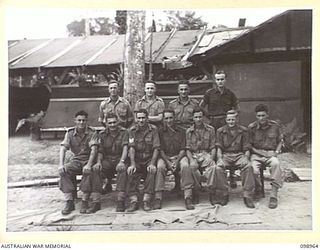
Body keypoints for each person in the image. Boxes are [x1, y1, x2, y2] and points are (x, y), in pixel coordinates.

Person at [200, 70, 240, 188]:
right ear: (215, 80)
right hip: (213, 122)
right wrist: (208, 117)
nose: (220, 81)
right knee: (215, 147)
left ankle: (231, 176)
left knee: (228, 148)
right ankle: (215, 175)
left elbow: (237, 107)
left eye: (222, 79)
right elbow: (201, 106)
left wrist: (233, 116)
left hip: (227, 123)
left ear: (225, 80)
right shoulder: (209, 93)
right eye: (218, 79)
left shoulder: (230, 94)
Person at [58, 110, 99, 215]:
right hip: (76, 159)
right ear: (75, 121)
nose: (81, 123)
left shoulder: (92, 132)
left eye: (84, 120)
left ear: (87, 121)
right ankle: (69, 201)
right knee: (65, 170)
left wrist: (89, 164)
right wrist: (61, 164)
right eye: (79, 120)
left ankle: (84, 201)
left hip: (89, 159)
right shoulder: (70, 133)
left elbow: (94, 150)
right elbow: (63, 148)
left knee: (89, 171)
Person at [155, 109, 195, 210]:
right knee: (160, 167)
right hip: (165, 157)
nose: (169, 120)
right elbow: (160, 150)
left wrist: (176, 162)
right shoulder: (159, 132)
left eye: (171, 118)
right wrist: (168, 162)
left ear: (174, 118)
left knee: (186, 166)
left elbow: (183, 148)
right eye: (166, 118)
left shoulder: (181, 131)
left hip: (179, 156)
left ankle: (188, 197)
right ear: (163, 119)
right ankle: (158, 198)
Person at [215, 110, 255, 208]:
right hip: (226, 155)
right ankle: (224, 193)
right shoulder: (220, 131)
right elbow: (219, 147)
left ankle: (247, 195)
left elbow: (247, 147)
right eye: (229, 120)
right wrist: (219, 158)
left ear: (237, 119)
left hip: (239, 155)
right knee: (218, 168)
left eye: (233, 119)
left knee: (248, 166)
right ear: (226, 120)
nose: (231, 122)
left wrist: (246, 158)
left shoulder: (244, 130)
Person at [91, 113, 129, 212]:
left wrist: (122, 161)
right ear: (106, 123)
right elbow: (100, 151)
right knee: (96, 169)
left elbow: (125, 148)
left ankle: (120, 200)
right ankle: (96, 202)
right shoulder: (102, 134)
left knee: (123, 169)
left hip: (119, 158)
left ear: (118, 122)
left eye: (114, 122)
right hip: (107, 160)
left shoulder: (124, 132)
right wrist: (98, 162)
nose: (112, 125)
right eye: (110, 123)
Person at [248, 104, 284, 209]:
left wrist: (276, 152)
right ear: (256, 116)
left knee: (276, 164)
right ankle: (258, 190)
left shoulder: (275, 126)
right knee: (253, 169)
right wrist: (261, 153)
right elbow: (249, 145)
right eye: (258, 116)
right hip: (256, 154)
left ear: (267, 115)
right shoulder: (252, 127)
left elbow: (280, 141)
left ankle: (273, 195)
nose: (261, 118)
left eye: (263, 115)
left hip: (271, 153)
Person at [168, 80, 199, 193]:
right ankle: (177, 184)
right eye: (181, 89)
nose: (183, 91)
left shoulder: (195, 103)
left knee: (190, 158)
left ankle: (193, 186)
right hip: (177, 133)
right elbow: (169, 120)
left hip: (191, 133)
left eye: (185, 89)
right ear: (178, 90)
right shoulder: (172, 104)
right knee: (178, 157)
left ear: (189, 90)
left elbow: (198, 117)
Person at [126, 109, 160, 212]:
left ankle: (146, 199)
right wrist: (132, 164)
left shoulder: (154, 129)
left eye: (143, 118)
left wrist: (153, 163)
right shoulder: (132, 130)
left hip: (149, 158)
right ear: (136, 119)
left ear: (147, 118)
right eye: (139, 118)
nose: (141, 120)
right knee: (131, 171)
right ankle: (133, 200)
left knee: (152, 171)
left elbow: (156, 148)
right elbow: (131, 148)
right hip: (137, 158)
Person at [185, 107, 217, 205]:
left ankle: (212, 191)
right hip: (194, 154)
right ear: (193, 118)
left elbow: (213, 147)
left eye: (200, 117)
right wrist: (191, 159)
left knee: (213, 167)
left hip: (206, 153)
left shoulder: (210, 129)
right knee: (192, 167)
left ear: (203, 117)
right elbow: (187, 149)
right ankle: (196, 191)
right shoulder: (189, 131)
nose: (198, 119)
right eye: (196, 117)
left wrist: (211, 157)